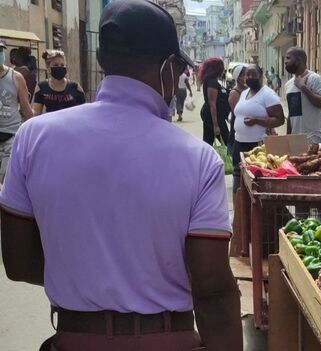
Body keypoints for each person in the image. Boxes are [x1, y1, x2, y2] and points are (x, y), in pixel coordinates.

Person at [0, 1, 242, 350]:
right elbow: (213, 290)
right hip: (169, 340)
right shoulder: (198, 159)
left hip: (73, 339)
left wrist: (88, 280)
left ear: (103, 61)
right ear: (168, 69)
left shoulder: (34, 138)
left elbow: (19, 263)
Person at [232, 64, 285, 194]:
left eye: (253, 74)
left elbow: (280, 119)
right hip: (238, 142)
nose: (250, 77)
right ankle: (240, 212)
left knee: (255, 183)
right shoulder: (244, 93)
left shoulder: (268, 94)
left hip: (257, 145)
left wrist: (257, 120)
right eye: (247, 74)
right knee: (238, 183)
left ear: (261, 76)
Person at [0, 40, 34, 182]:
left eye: (1, 51)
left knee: (6, 179)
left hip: (11, 136)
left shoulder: (16, 77)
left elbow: (26, 108)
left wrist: (34, 129)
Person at [284, 47, 321, 144]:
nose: (285, 62)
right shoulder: (288, 84)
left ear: (299, 60)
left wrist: (303, 87)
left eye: (288, 58)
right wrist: (288, 137)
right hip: (295, 137)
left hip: (313, 136)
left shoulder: (314, 78)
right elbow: (291, 114)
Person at [33, 50, 86, 115]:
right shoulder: (42, 87)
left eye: (62, 65)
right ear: (48, 67)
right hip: (51, 124)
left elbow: (83, 111)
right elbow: (36, 113)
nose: (59, 67)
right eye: (56, 65)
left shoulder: (75, 87)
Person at [198, 56, 230, 145]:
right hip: (214, 117)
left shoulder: (213, 81)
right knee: (227, 141)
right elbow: (212, 104)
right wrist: (215, 125)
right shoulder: (212, 83)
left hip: (214, 116)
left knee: (208, 140)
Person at [228, 64, 246, 154]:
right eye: (245, 75)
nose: (247, 77)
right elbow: (237, 113)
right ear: (238, 78)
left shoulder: (247, 90)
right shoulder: (234, 93)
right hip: (238, 125)